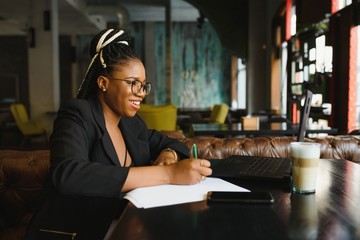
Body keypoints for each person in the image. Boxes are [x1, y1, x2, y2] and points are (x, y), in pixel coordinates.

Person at [50, 28, 212, 197]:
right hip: (77, 222)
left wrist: (169, 154)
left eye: (143, 85)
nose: (141, 92)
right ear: (103, 83)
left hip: (125, 217)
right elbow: (68, 175)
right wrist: (169, 174)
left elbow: (173, 143)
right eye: (133, 83)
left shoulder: (132, 124)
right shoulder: (77, 115)